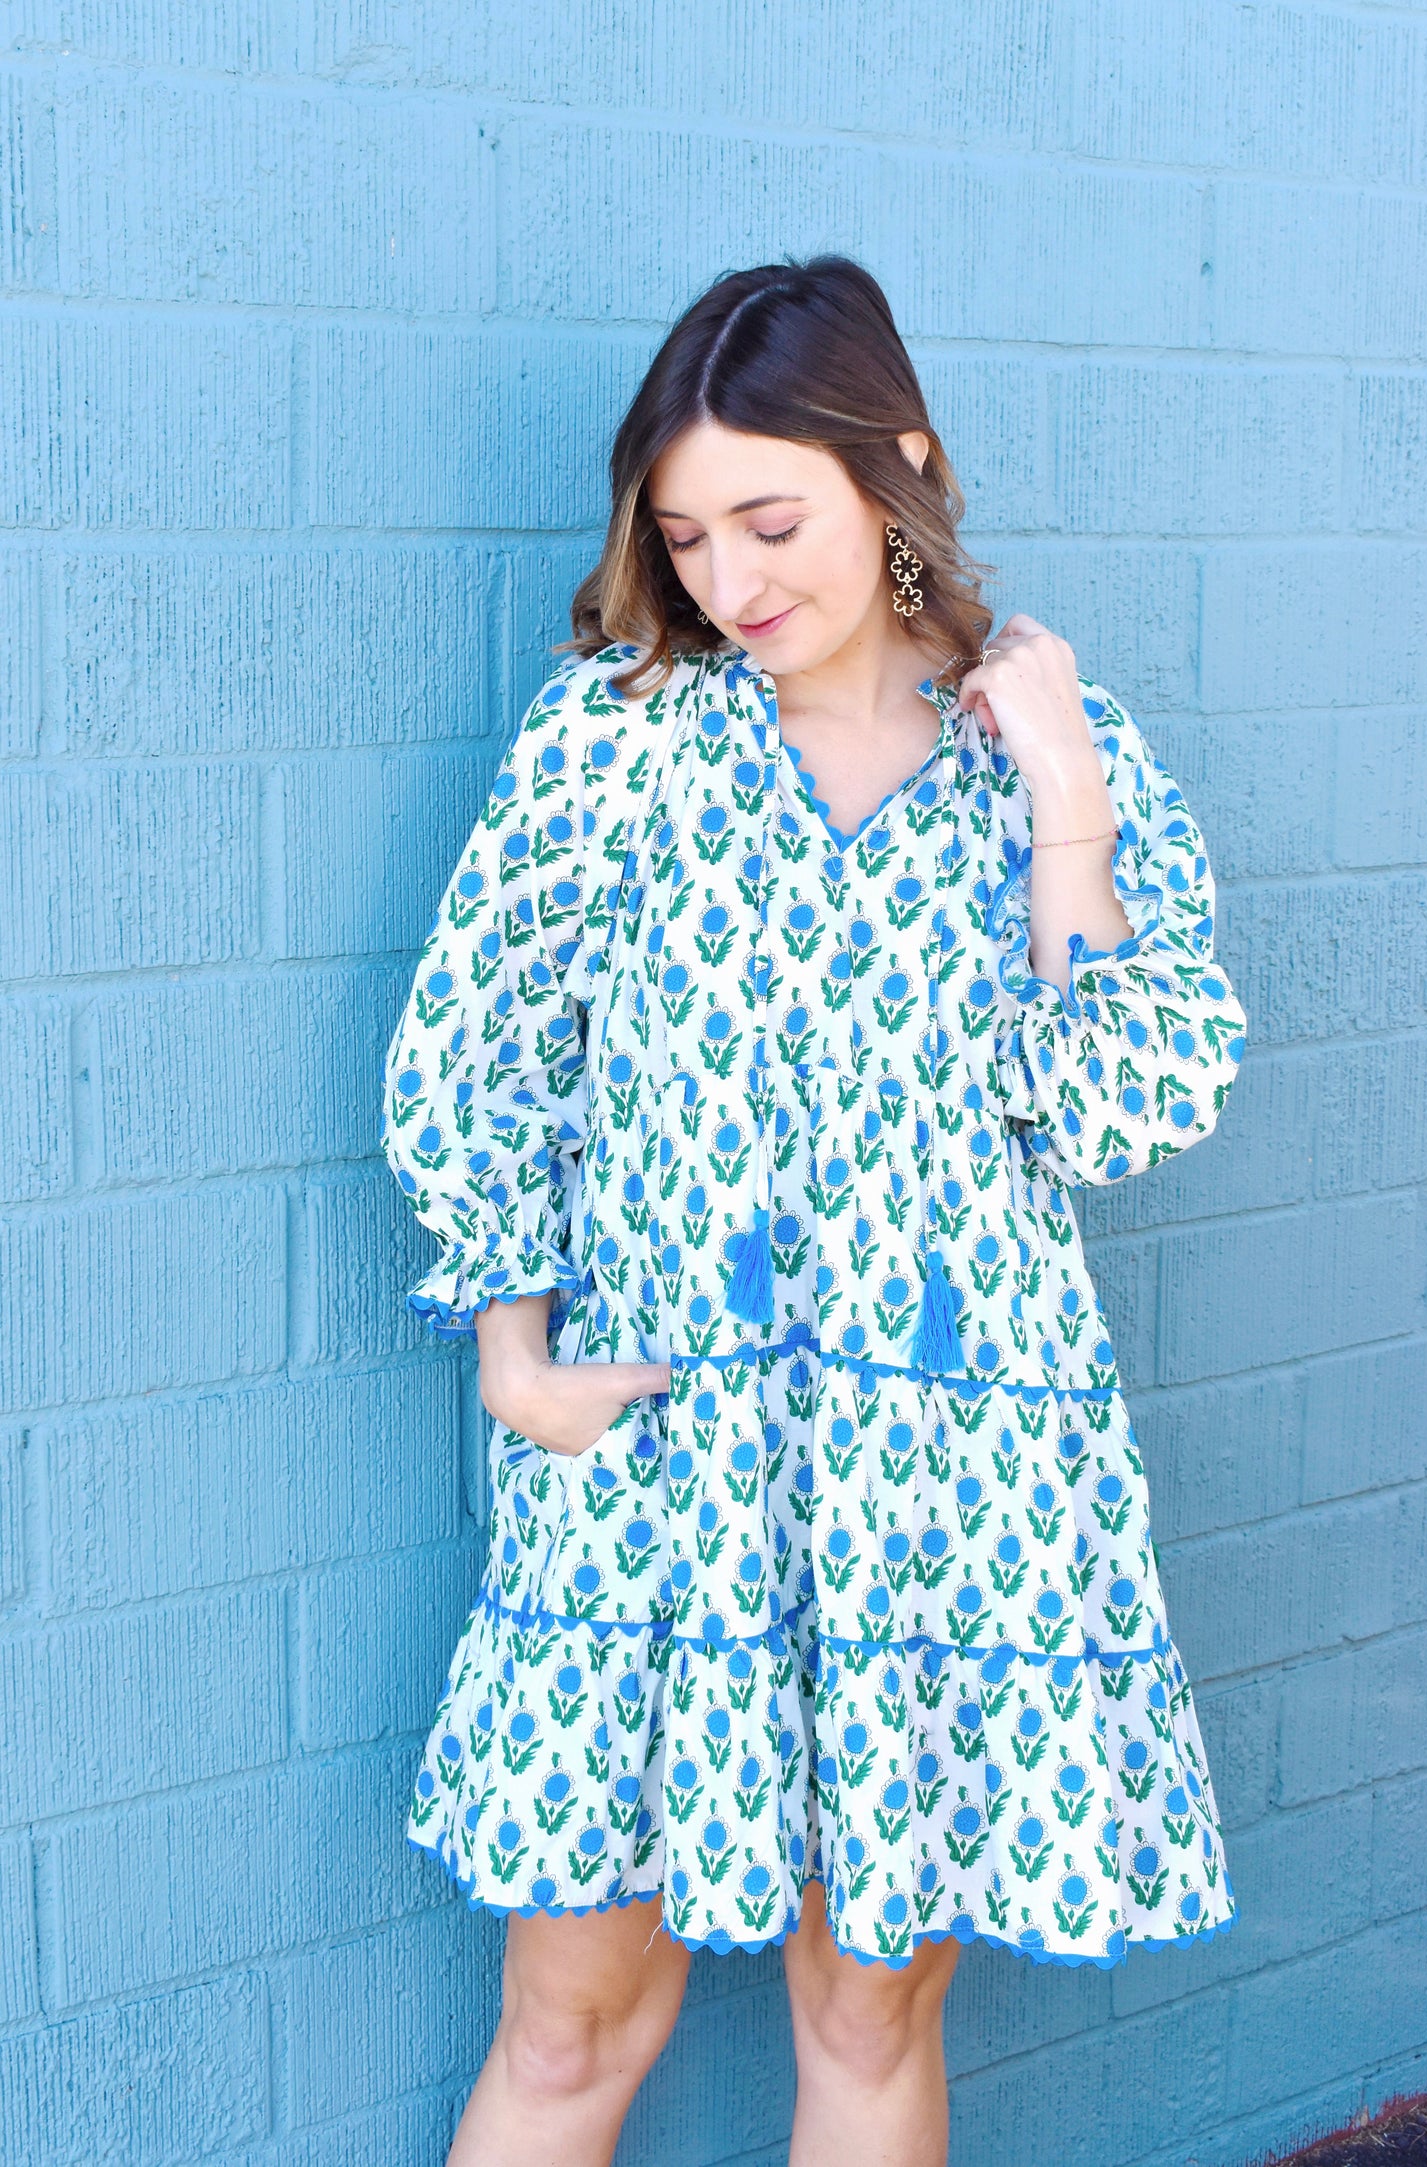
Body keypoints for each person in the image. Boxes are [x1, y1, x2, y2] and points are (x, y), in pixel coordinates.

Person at [380, 255, 1248, 2167]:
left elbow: (1129, 1100)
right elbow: (482, 1034)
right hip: (661, 1452)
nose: (727, 580)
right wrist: (516, 1362)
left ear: (897, 468)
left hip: (948, 1463)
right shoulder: (617, 735)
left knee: (867, 2016)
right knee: (570, 2025)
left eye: (771, 520)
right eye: (685, 536)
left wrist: (1069, 803)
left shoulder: (1043, 763)